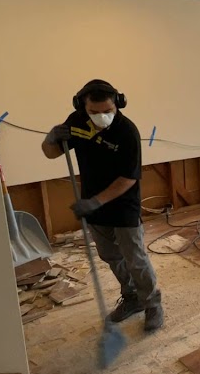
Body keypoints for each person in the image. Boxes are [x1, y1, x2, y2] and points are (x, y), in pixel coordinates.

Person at [42, 79, 163, 331]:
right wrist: (51, 138)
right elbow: (51, 153)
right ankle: (132, 297)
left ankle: (152, 303)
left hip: (123, 205)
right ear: (82, 107)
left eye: (108, 110)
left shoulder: (127, 131)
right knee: (110, 255)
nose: (102, 116)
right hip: (94, 205)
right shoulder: (77, 122)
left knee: (135, 258)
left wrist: (95, 202)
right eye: (94, 112)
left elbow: (128, 178)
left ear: (118, 104)